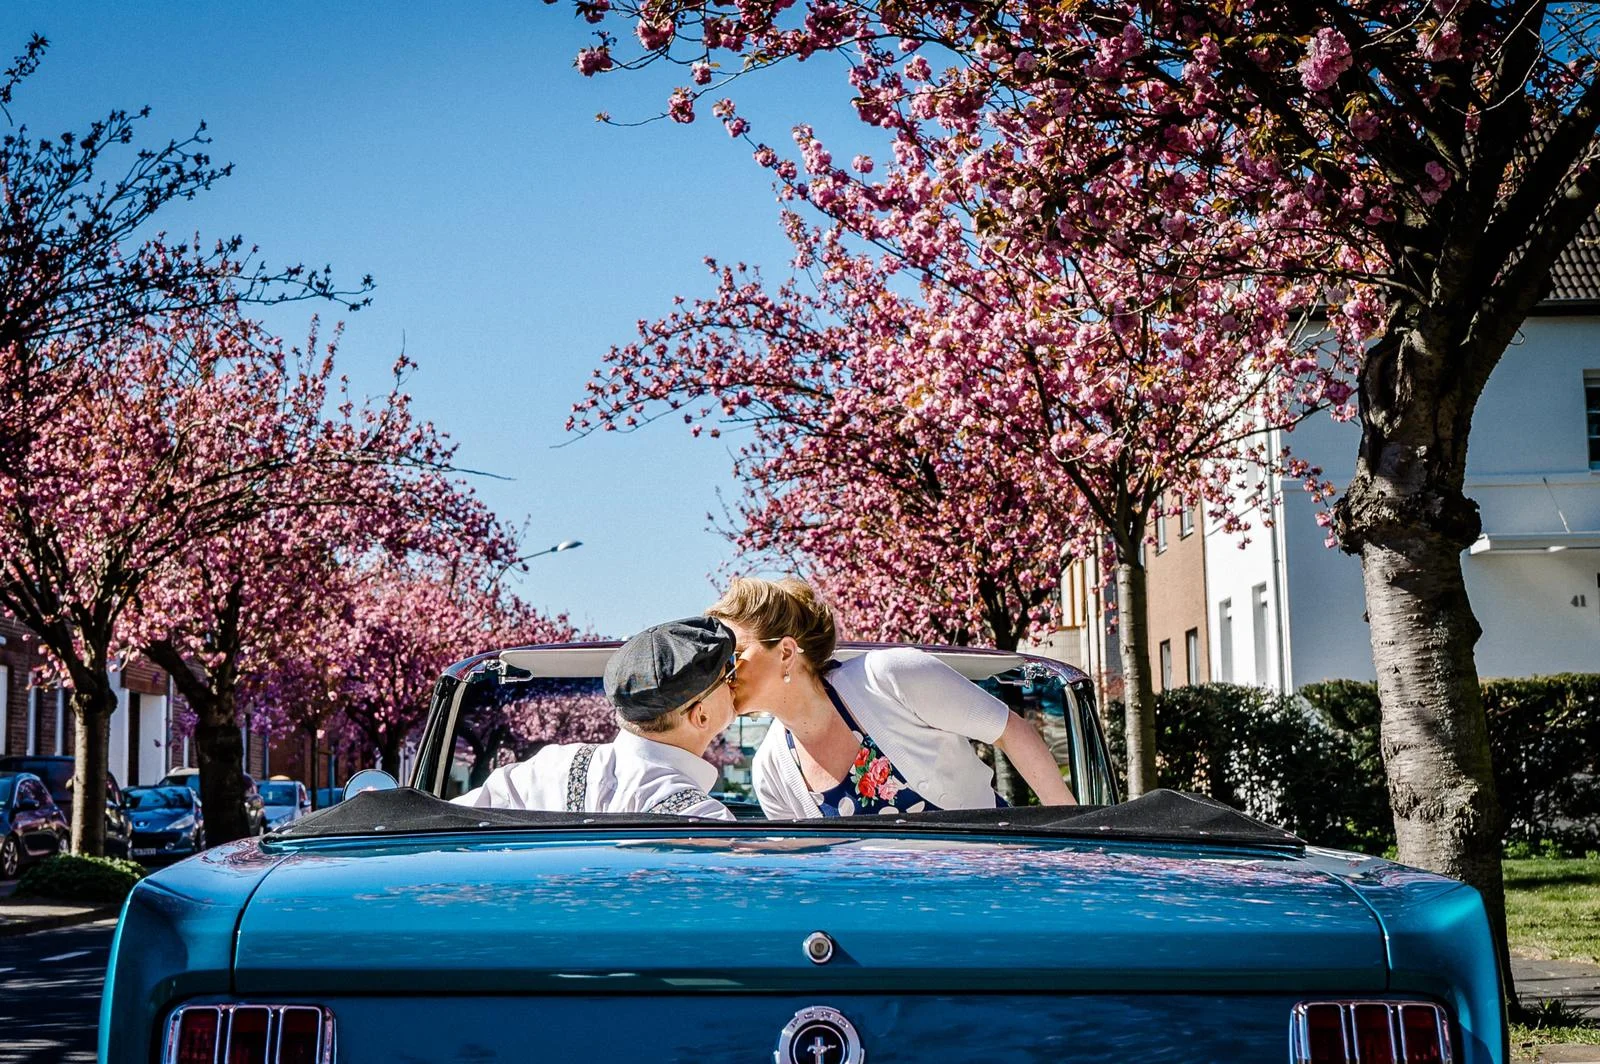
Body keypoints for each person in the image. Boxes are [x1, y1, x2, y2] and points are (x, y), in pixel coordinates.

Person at [709, 576, 1077, 818]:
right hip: (886, 932)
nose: (722, 671)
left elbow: (1010, 730)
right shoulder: (770, 768)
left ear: (787, 653)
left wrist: (1073, 838)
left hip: (990, 890)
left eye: (733, 654)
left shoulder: (890, 676)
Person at [452, 616, 737, 818]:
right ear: (701, 716)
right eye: (728, 676)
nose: (735, 683)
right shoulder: (702, 819)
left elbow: (446, 824)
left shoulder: (544, 768)